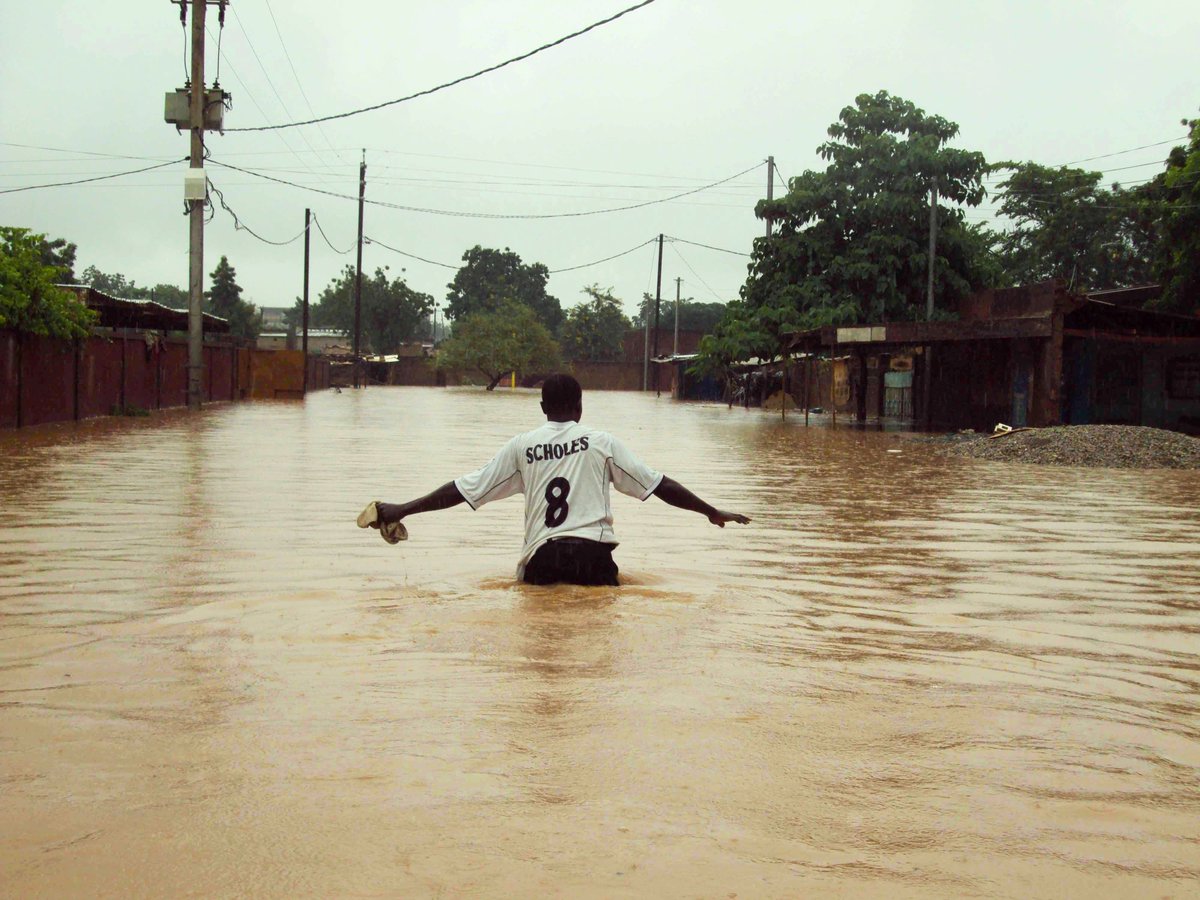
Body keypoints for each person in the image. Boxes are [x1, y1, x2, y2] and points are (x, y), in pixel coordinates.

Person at [363, 374, 750, 586]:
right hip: (593, 558)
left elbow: (464, 490)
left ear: (543, 408)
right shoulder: (602, 444)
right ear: (580, 408)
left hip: (542, 559)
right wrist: (710, 511)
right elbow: (658, 484)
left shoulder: (522, 447)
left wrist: (402, 509)